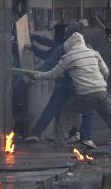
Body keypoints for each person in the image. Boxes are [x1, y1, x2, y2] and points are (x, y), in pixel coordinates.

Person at [30, 32, 111, 148]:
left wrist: (36, 76)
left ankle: (59, 146)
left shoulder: (68, 57)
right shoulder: (94, 53)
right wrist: (101, 85)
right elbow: (106, 71)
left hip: (84, 95)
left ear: (69, 45)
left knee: (66, 113)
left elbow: (53, 74)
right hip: (102, 93)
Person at [24, 21, 96, 149]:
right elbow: (99, 67)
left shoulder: (62, 47)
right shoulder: (88, 47)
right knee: (87, 111)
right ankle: (86, 138)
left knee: (52, 108)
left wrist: (34, 74)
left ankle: (37, 134)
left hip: (67, 86)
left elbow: (48, 62)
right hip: (84, 86)